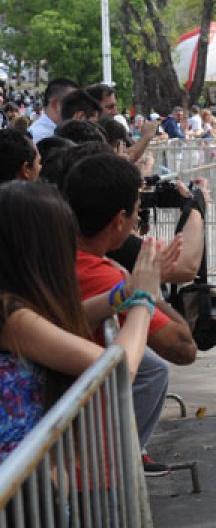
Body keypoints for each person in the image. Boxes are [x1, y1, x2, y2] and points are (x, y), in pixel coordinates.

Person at [0, 180, 161, 463]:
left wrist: (122, 294)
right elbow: (118, 367)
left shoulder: (15, 307)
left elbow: (56, 327)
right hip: (23, 495)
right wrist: (143, 303)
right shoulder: (10, 316)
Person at [63, 153, 197, 473]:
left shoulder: (76, 259)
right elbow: (182, 347)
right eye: (137, 212)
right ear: (119, 220)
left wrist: (132, 287)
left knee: (154, 370)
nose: (138, 221)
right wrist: (146, 289)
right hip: (81, 470)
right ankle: (126, 457)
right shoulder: (97, 273)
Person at [28, 78, 78, 143]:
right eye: (73, 104)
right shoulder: (40, 137)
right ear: (55, 104)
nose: (78, 110)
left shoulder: (62, 132)